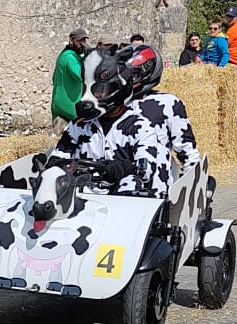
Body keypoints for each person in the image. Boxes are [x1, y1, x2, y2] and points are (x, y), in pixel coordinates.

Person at [56, 42, 201, 198]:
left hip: (146, 187)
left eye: (134, 74)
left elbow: (186, 151)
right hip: (96, 188)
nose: (129, 78)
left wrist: (193, 192)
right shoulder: (102, 108)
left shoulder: (167, 103)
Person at [51, 29, 88, 122]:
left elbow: (54, 78)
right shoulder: (70, 57)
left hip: (58, 103)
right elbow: (81, 76)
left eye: (84, 40)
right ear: (71, 40)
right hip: (70, 105)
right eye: (80, 41)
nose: (83, 44)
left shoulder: (64, 55)